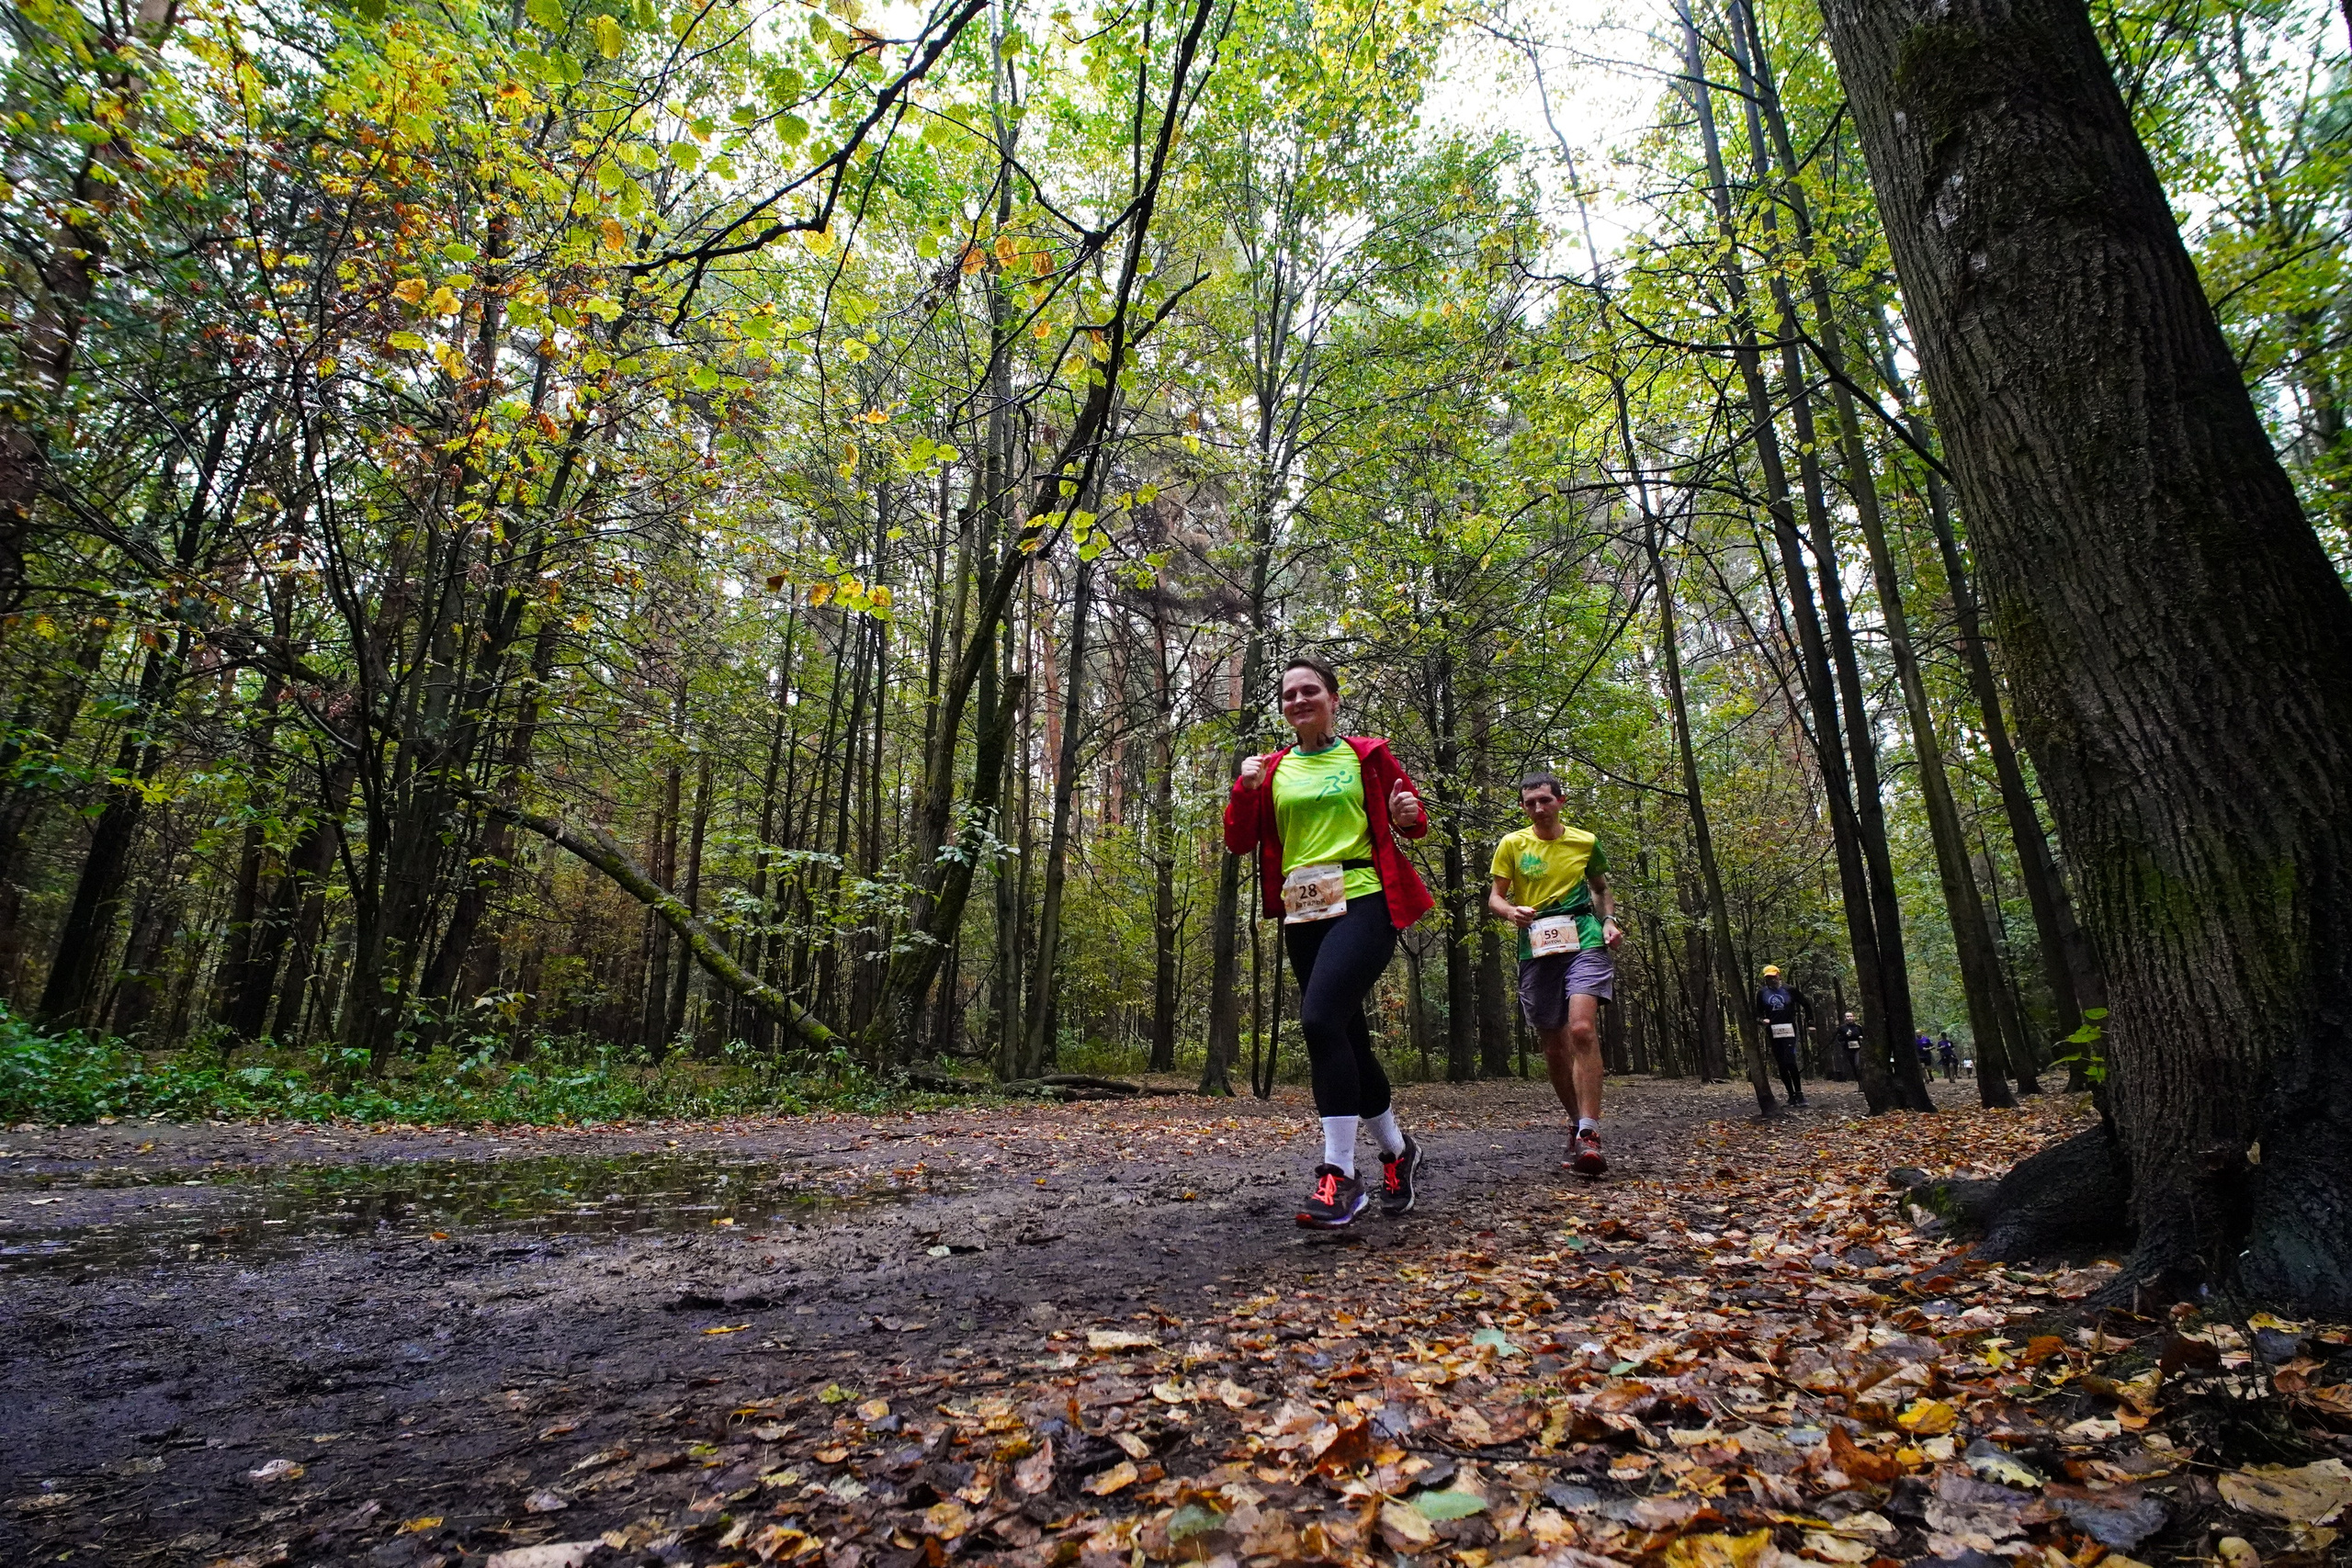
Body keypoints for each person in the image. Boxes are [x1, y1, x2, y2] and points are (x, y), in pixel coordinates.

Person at [1225, 656, 1433, 1229]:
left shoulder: (1367, 754)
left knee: (1318, 1020)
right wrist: (1244, 791)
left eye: (1309, 690)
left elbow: (1412, 822)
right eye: (1289, 695)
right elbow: (1239, 842)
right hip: (1303, 908)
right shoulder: (1269, 770)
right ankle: (1396, 1151)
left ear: (1333, 699)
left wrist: (1405, 813)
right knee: (1346, 1037)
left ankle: (1339, 1174)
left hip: (1365, 895)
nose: (1298, 701)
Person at [1487, 772, 1620, 1176]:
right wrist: (1511, 912)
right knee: (1553, 1045)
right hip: (1538, 946)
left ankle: (1590, 1133)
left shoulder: (1584, 841)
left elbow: (1600, 887)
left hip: (1585, 937)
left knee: (1580, 1030)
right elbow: (1495, 897)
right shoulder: (1512, 844)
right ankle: (1576, 1122)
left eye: (1545, 800)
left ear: (1560, 801)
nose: (1538, 808)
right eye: (1530, 803)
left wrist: (1609, 920)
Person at [1754, 965, 1812, 1106]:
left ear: (1779, 975)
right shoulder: (1762, 993)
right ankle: (1791, 1095)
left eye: (1773, 977)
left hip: (1789, 1029)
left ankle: (1800, 1094)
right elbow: (1757, 1014)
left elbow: (1806, 1004)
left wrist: (1810, 1022)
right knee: (1781, 1063)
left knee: (1790, 1060)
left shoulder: (1789, 990)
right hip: (1773, 1031)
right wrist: (1762, 1020)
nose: (1771, 980)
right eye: (1768, 978)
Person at [1836, 1011, 1865, 1081]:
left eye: (1851, 1016)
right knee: (1853, 1067)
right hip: (1848, 1049)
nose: (1849, 1018)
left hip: (1858, 1048)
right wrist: (1846, 1036)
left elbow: (1862, 1035)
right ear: (1845, 1018)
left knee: (1858, 1065)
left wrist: (1861, 1038)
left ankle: (1862, 1083)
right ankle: (1859, 1083)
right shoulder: (1842, 1028)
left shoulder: (1858, 1027)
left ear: (1854, 1017)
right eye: (1848, 1017)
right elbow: (1839, 1039)